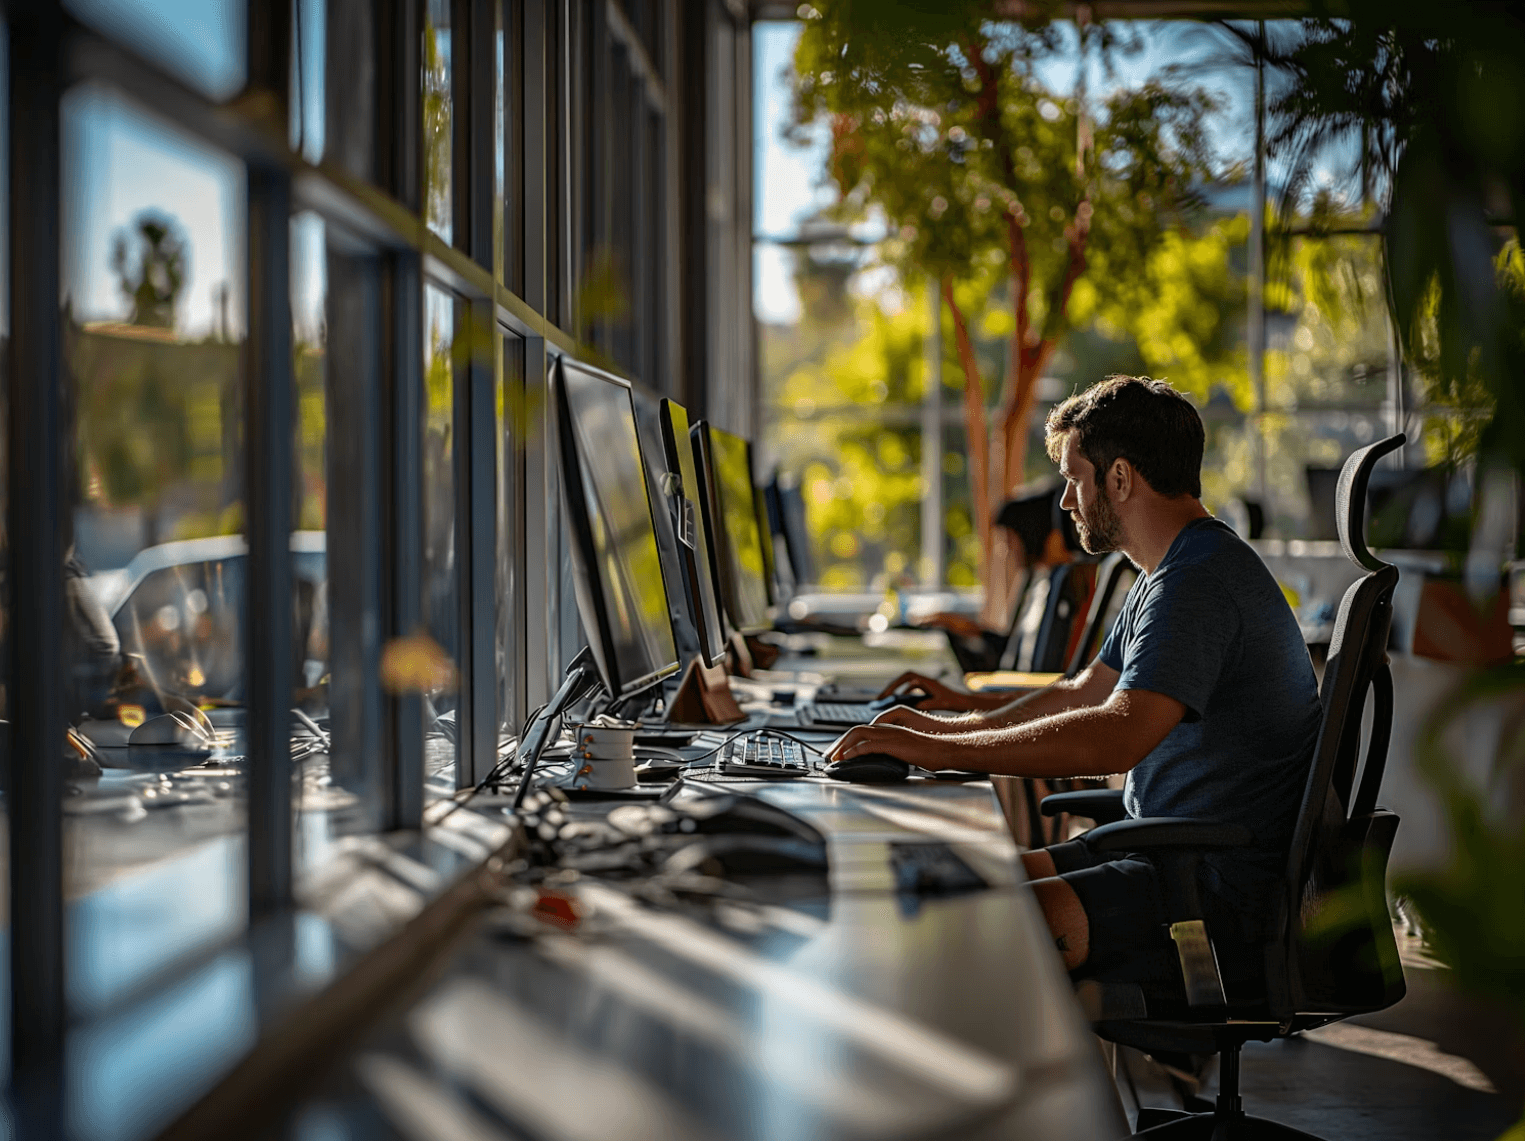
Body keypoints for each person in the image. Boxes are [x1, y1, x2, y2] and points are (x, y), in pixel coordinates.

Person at [828, 376, 1321, 990]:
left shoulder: (1196, 583)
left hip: (1210, 894)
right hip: (1162, 854)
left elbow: (1117, 735)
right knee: (936, 885)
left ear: (1119, 479)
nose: (1064, 502)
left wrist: (938, 751)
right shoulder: (1172, 570)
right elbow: (1082, 691)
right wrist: (949, 723)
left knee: (950, 923)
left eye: (1073, 478)